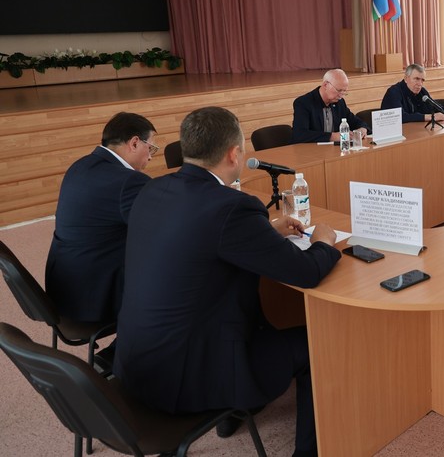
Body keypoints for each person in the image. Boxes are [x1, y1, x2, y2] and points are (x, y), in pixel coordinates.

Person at [114, 106, 341, 457]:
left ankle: (234, 415)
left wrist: (264, 231)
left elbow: (197, 238)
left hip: (138, 364)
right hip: (190, 375)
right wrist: (324, 241)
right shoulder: (232, 207)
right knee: (318, 343)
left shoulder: (152, 190)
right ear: (234, 154)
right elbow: (306, 273)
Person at [45, 112, 157, 325]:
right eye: (150, 148)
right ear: (134, 143)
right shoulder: (129, 182)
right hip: (97, 296)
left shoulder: (80, 166)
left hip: (64, 289)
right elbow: (164, 230)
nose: (150, 157)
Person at [291, 68, 368, 144]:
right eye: (339, 90)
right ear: (325, 85)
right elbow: (300, 135)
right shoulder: (303, 103)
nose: (341, 95)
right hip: (311, 150)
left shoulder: (339, 102)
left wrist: (362, 129)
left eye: (344, 91)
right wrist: (333, 136)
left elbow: (356, 121)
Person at [380, 63, 444, 123]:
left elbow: (436, 108)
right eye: (416, 79)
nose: (420, 84)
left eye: (422, 80)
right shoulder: (394, 92)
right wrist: (430, 117)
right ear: (406, 78)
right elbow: (400, 117)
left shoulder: (422, 91)